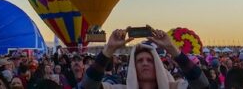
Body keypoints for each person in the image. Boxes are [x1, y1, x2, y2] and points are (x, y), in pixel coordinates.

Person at [78, 28, 208, 89]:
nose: (145, 63)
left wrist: (172, 49)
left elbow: (202, 85)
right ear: (133, 66)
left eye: (150, 60)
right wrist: (108, 50)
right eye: (139, 60)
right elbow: (87, 86)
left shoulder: (175, 87)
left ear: (157, 64)